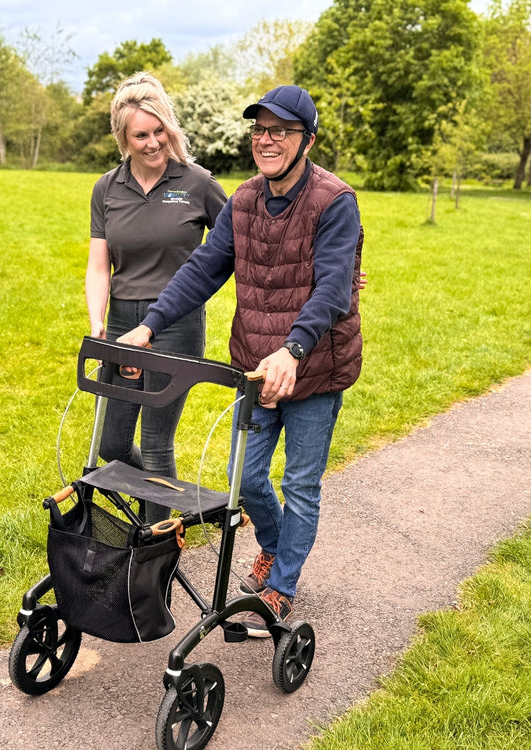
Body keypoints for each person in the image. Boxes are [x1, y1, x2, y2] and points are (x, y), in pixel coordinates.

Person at [118, 84, 364, 637]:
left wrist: (294, 349)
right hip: (256, 365)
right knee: (244, 477)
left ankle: (281, 585)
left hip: (313, 365)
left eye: (281, 131)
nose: (267, 140)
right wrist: (149, 325)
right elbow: (205, 268)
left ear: (308, 139)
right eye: (260, 130)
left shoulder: (334, 201)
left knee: (300, 483)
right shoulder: (245, 201)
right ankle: (276, 550)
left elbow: (332, 289)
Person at [86, 72, 228, 524]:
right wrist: (98, 322)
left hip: (176, 325)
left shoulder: (198, 183)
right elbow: (97, 265)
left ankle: (156, 552)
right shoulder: (107, 189)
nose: (152, 142)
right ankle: (165, 507)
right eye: (140, 135)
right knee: (111, 445)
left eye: (159, 130)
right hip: (125, 324)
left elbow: (244, 242)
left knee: (155, 445)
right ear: (123, 138)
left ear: (170, 127)